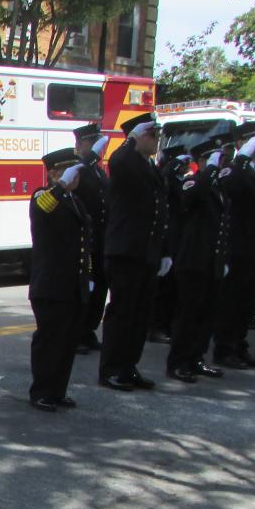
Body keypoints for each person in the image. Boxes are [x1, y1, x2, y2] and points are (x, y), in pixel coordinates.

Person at [98, 112, 167, 392]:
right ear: (140, 136)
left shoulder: (147, 165)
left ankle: (129, 366)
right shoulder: (125, 160)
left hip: (145, 252)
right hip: (125, 251)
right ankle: (111, 369)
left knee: (140, 314)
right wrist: (129, 140)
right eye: (152, 135)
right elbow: (116, 161)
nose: (156, 141)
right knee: (122, 313)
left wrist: (163, 251)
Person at [27, 149, 93, 412]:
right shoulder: (42, 196)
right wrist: (62, 184)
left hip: (72, 283)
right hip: (50, 283)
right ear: (53, 173)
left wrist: (89, 274)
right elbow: (43, 211)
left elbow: (84, 241)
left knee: (67, 341)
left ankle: (57, 390)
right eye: (68, 171)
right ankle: (41, 391)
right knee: (49, 340)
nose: (75, 177)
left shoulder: (75, 201)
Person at [215, 121, 255, 367]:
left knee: (247, 303)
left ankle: (239, 345)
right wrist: (240, 159)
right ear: (241, 142)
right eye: (252, 139)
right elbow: (230, 187)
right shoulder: (232, 168)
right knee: (233, 301)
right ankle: (225, 348)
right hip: (238, 247)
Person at [166, 139, 229, 383]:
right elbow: (192, 196)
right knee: (188, 315)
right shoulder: (193, 181)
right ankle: (178, 363)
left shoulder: (217, 185)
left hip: (211, 259)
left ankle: (196, 358)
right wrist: (209, 170)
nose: (219, 163)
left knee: (207, 314)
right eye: (214, 158)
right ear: (202, 160)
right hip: (192, 260)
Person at [71, 124, 111, 352]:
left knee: (100, 288)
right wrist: (92, 155)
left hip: (101, 240)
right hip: (85, 241)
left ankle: (88, 330)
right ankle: (77, 333)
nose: (96, 144)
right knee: (86, 289)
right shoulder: (77, 167)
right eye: (91, 141)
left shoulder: (96, 169)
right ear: (81, 144)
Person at [150, 143, 190, 346]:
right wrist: (174, 167)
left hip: (176, 238)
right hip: (168, 238)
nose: (186, 167)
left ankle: (165, 324)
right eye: (183, 163)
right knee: (164, 288)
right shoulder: (167, 177)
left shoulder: (178, 179)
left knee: (172, 287)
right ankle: (157, 327)